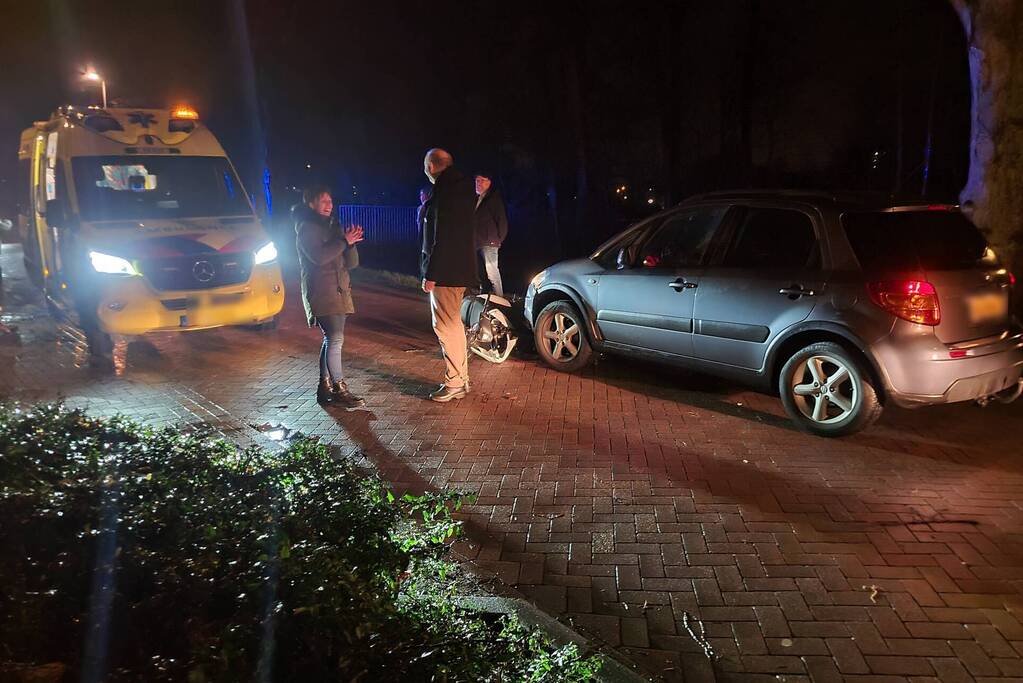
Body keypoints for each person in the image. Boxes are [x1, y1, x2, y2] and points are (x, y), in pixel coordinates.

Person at [293, 185, 366, 407]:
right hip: (321, 290)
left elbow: (352, 263)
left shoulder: (334, 227)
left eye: (330, 201)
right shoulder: (306, 228)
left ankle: (324, 387)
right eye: (323, 201)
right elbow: (319, 257)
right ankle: (339, 388)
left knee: (331, 338)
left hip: (339, 290)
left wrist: (350, 244)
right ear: (311, 203)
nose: (329, 205)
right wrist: (343, 241)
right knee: (335, 337)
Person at [421, 148, 478, 402]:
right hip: (459, 269)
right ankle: (460, 379)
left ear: (432, 166)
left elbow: (441, 236)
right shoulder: (463, 189)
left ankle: (454, 381)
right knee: (454, 324)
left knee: (445, 326)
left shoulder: (444, 191)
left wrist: (431, 273)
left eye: (426, 166)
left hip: (446, 272)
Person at [473, 174, 508, 296]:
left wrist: (497, 240)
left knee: (492, 273)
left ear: (489, 183)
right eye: (477, 180)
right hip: (477, 243)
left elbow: (502, 221)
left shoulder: (493, 199)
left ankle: (500, 299)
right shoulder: (476, 199)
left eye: (482, 180)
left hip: (489, 243)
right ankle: (483, 296)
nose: (478, 183)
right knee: (480, 273)